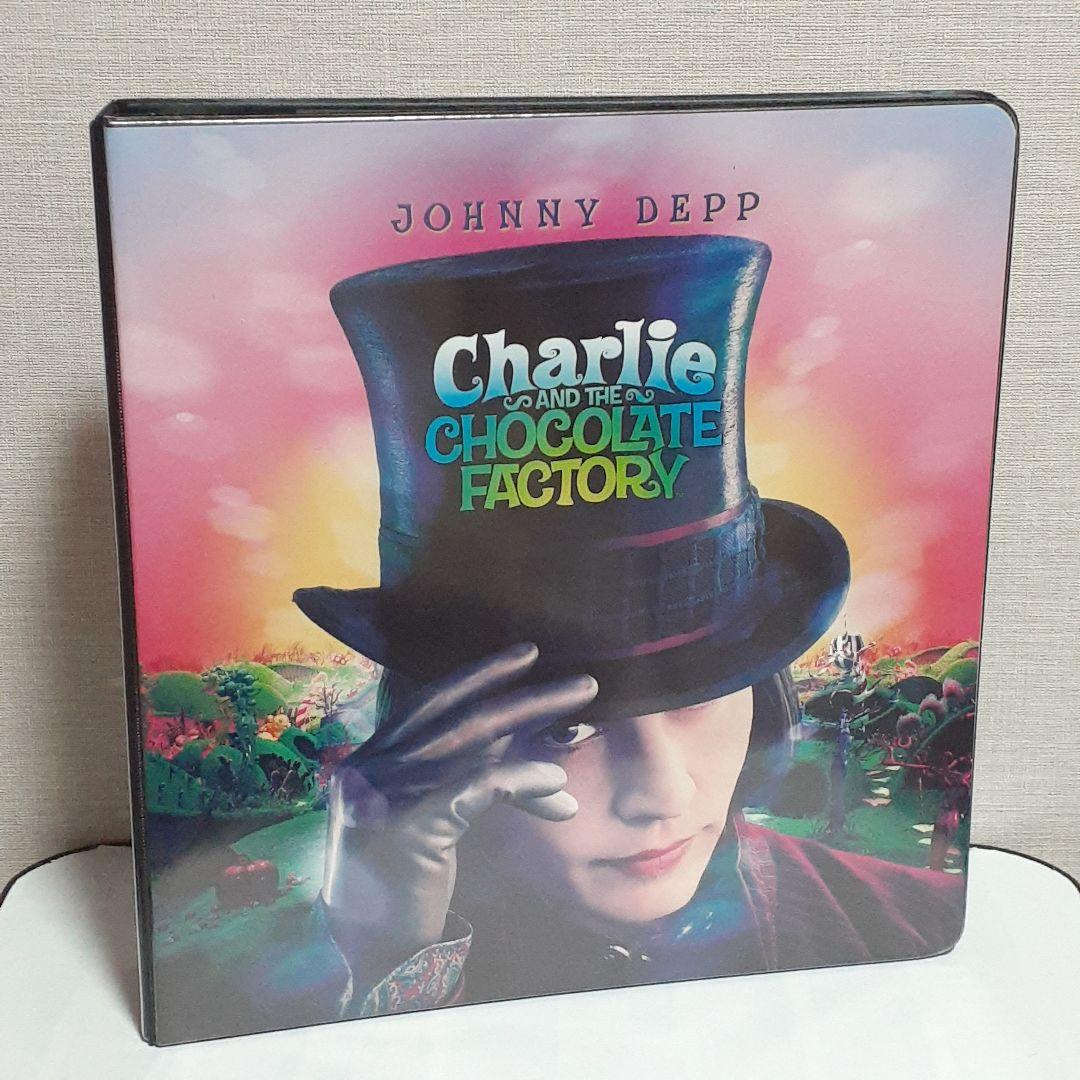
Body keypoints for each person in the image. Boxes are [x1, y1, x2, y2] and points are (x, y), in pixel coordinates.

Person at [286, 235, 963, 1023]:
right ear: (431, 724)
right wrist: (390, 956)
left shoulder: (912, 927)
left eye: (699, 694)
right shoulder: (250, 991)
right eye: (570, 728)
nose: (664, 794)